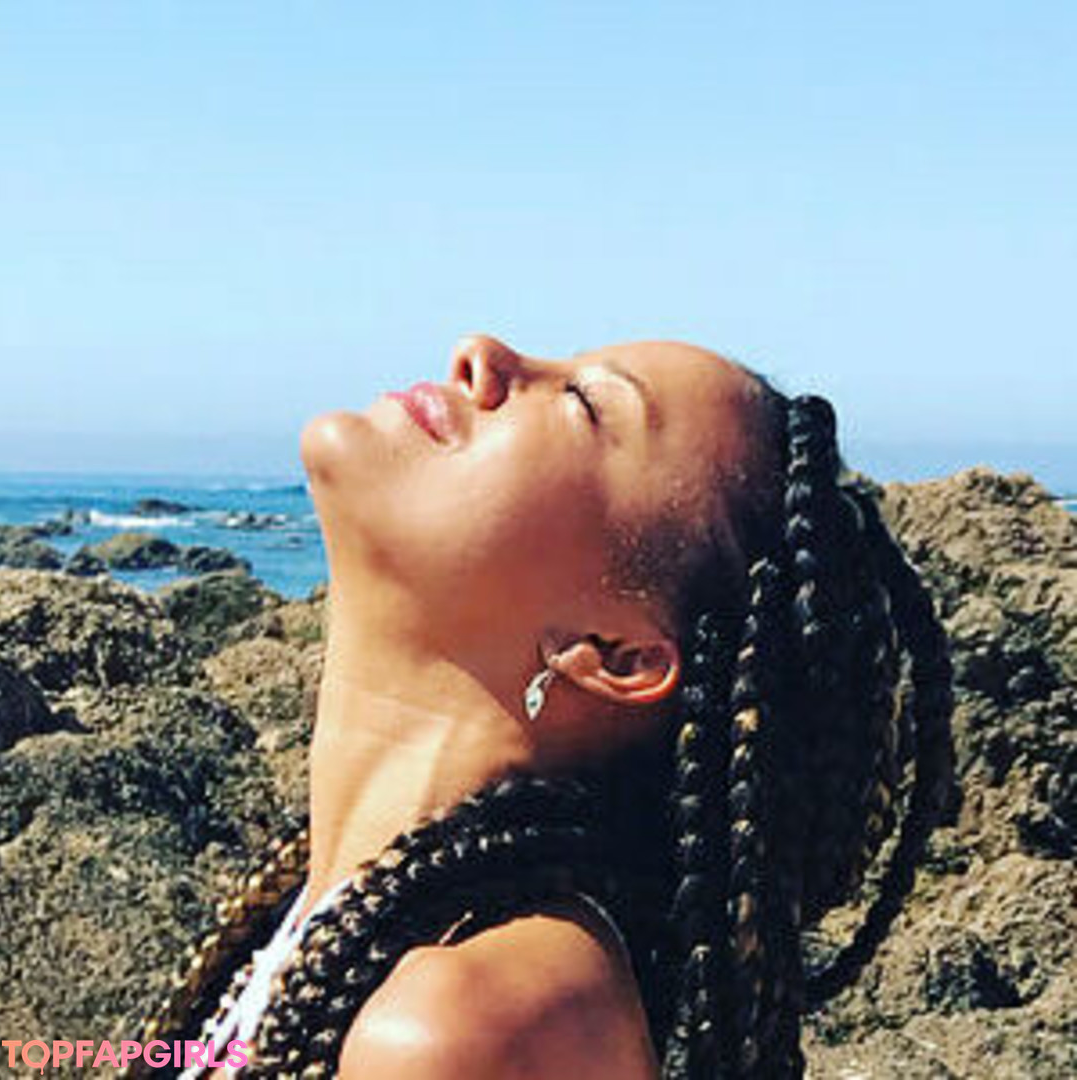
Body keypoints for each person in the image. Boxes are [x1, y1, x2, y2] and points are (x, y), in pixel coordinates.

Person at [123, 334, 955, 1079]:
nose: (483, 353)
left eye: (585, 404)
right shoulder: (329, 932)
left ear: (613, 654)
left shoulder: (468, 1027)